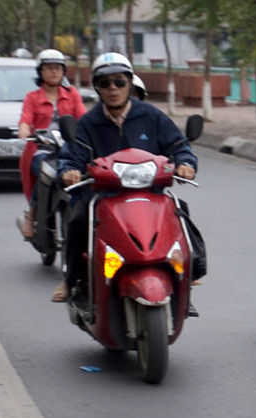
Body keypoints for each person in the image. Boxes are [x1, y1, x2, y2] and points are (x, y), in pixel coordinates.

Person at [56, 52, 197, 302]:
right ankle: (70, 280)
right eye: (105, 83)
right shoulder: (88, 123)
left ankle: (191, 272)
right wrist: (69, 171)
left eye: (119, 82)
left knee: (180, 210)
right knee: (78, 219)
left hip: (149, 194)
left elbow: (178, 146)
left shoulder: (152, 116)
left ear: (130, 83)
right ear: (97, 88)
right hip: (103, 196)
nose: (113, 89)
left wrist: (185, 163)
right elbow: (72, 155)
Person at [16, 49, 87, 239]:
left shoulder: (72, 94)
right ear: (41, 72)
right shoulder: (32, 97)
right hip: (42, 150)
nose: (53, 72)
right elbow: (25, 118)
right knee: (48, 172)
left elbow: (83, 119)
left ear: (63, 71)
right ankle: (31, 215)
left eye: (57, 68)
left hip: (69, 149)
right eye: (48, 68)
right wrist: (24, 129)